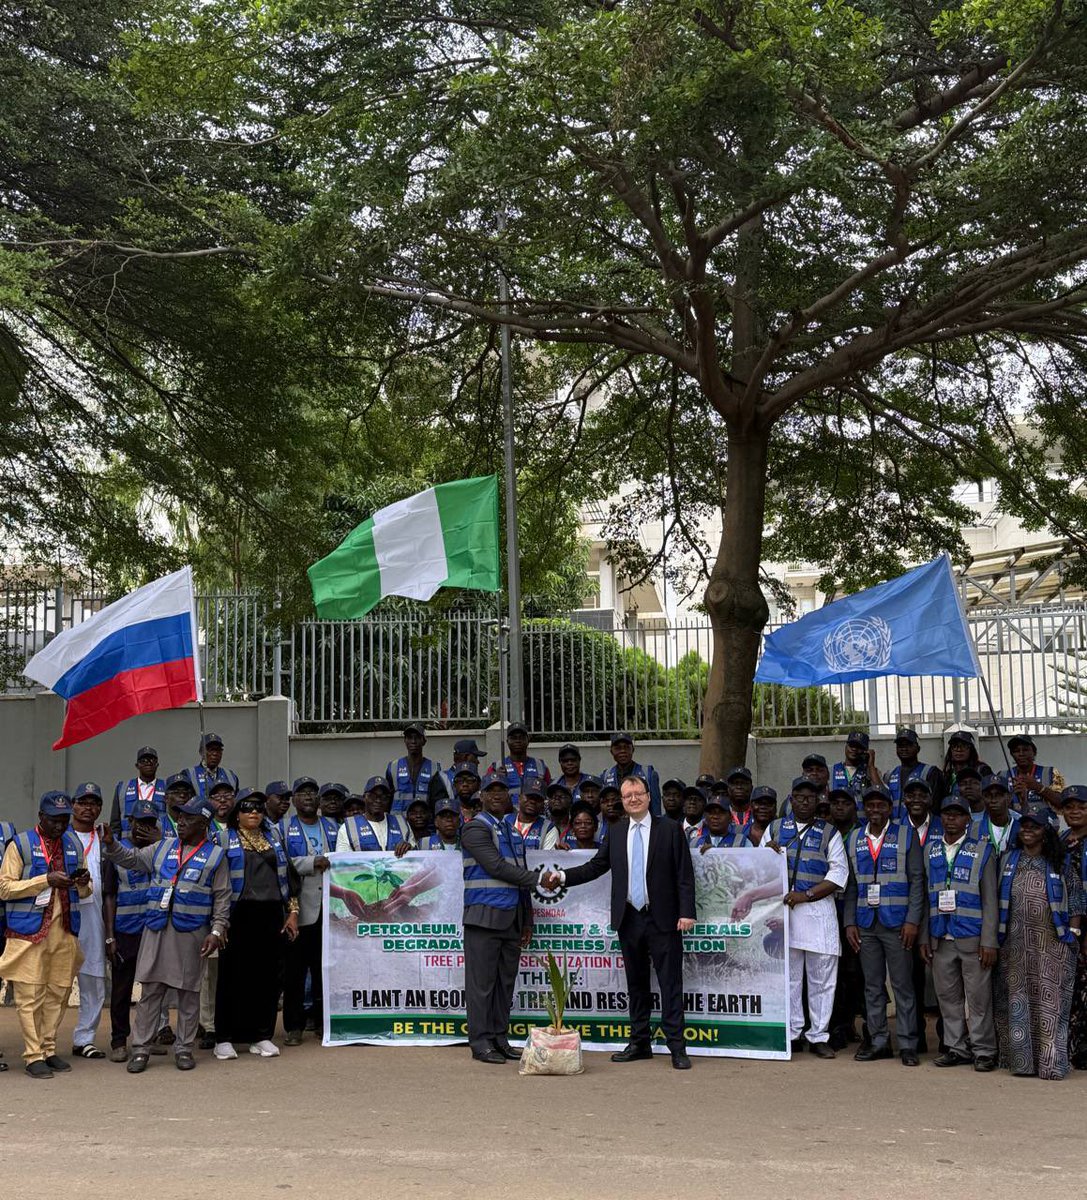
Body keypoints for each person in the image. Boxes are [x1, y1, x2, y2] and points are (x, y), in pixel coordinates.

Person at [541, 775, 696, 1069]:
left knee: (670, 984)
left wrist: (686, 912)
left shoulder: (670, 829)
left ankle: (677, 1047)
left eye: (638, 793)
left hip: (663, 918)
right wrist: (562, 876)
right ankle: (640, 1042)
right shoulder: (616, 830)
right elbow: (596, 866)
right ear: (622, 802)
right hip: (629, 917)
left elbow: (683, 874)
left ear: (649, 797)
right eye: (627, 795)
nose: (633, 798)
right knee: (636, 985)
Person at [99, 796, 230, 1073]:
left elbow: (222, 898)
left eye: (188, 818)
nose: (180, 821)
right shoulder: (163, 847)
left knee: (188, 993)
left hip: (192, 933)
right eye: (180, 816)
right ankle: (141, 1049)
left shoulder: (216, 856)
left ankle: (183, 1048)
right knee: (151, 991)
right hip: (156, 929)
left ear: (203, 823)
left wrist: (217, 931)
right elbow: (131, 859)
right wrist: (111, 844)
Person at [0, 792, 91, 1078]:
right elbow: (4, 888)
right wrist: (45, 880)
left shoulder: (74, 843)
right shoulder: (22, 844)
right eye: (54, 820)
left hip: (64, 930)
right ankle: (33, 1055)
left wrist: (83, 884)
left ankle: (49, 1048)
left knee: (59, 992)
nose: (59, 826)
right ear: (41, 816)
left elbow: (86, 892)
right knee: (30, 995)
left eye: (64, 820)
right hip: (28, 930)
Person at [994, 800, 1084, 1080]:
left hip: (1053, 944)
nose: (1028, 831)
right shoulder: (1008, 860)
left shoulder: (1061, 861)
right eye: (1024, 826)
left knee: (1051, 1002)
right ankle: (1021, 1062)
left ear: (1046, 831)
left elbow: (1078, 901)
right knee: (1018, 999)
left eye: (1035, 826)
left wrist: (1074, 933)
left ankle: (1051, 1063)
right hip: (1016, 944)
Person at [762, 777, 847, 1058]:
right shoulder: (775, 828)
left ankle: (819, 1036)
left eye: (810, 797)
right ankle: (792, 1032)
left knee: (822, 978)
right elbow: (758, 866)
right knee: (790, 978)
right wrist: (767, 853)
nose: (804, 801)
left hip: (817, 911)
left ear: (817, 800)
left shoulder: (829, 832)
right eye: (799, 796)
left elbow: (838, 875)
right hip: (784, 913)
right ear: (791, 798)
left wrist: (806, 895)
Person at [460, 769, 540, 1064]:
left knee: (505, 983)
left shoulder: (513, 832)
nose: (496, 795)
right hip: (483, 918)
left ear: (510, 797)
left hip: (512, 918)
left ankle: (499, 1037)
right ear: (481, 797)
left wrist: (528, 920)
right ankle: (480, 1041)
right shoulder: (474, 828)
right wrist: (538, 879)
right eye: (490, 791)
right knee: (482, 985)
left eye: (502, 791)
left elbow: (518, 878)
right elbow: (495, 867)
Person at [214, 788, 300, 1060]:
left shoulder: (274, 837)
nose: (254, 812)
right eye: (247, 807)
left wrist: (292, 912)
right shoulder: (223, 838)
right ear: (236, 813)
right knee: (232, 976)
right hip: (237, 915)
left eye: (259, 808)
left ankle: (261, 1035)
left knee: (268, 977)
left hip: (271, 913)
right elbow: (214, 883)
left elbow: (290, 879)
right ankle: (224, 1038)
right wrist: (219, 921)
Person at [843, 784, 925, 1066]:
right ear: (865, 809)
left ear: (890, 808)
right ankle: (878, 1041)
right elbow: (851, 885)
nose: (875, 810)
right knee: (872, 986)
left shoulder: (906, 835)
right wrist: (849, 922)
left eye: (881, 805)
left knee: (903, 986)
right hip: (866, 923)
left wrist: (913, 921)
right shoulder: (854, 838)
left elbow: (917, 882)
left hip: (898, 924)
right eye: (870, 805)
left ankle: (907, 1044)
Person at [920, 791, 999, 1071]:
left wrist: (989, 941)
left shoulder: (983, 850)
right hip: (941, 937)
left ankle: (984, 1050)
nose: (951, 818)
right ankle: (956, 1047)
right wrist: (925, 938)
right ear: (941, 817)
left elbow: (991, 900)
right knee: (948, 998)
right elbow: (926, 895)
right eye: (947, 813)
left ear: (968, 819)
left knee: (978, 999)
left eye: (958, 814)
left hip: (973, 936)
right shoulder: (930, 850)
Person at [102, 798, 162, 1063]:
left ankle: (146, 1039)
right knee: (122, 988)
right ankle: (119, 1040)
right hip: (125, 930)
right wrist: (110, 935)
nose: (144, 829)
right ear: (130, 823)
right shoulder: (116, 851)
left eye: (150, 823)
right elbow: (109, 896)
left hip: (154, 928)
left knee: (153, 988)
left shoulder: (162, 851)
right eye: (140, 823)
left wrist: (159, 842)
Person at [279, 784, 337, 1046]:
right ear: (293, 800)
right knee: (295, 971)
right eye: (302, 793)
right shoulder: (282, 827)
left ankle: (323, 1023)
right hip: (298, 909)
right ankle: (293, 1026)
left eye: (313, 793)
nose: (309, 798)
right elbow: (282, 863)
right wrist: (310, 863)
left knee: (324, 968)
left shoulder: (334, 826)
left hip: (332, 908)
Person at [70, 782, 107, 1059]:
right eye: (83, 802)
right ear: (73, 805)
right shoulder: (61, 837)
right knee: (54, 981)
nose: (87, 808)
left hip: (94, 917)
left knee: (93, 979)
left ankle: (85, 1038)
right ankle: (42, 1042)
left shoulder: (105, 840)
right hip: (63, 917)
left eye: (93, 803)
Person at [826, 786, 866, 1052]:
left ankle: (856, 1024)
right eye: (835, 803)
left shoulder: (862, 834)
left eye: (846, 803)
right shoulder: (825, 834)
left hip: (858, 913)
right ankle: (837, 1028)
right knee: (834, 973)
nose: (839, 807)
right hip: (827, 913)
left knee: (856, 974)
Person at [1060, 785, 1087, 1070]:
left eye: (1081, 806)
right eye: (1069, 807)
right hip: (1069, 926)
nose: (1075, 811)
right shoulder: (1061, 840)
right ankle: (1076, 1048)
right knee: (1075, 988)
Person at [335, 777, 410, 851]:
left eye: (383, 797)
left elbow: (416, 857)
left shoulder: (402, 824)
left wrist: (410, 848)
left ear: (389, 800)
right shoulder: (348, 828)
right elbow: (342, 860)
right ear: (364, 797)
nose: (378, 800)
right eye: (372, 796)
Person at [109, 746, 167, 837]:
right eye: (143, 760)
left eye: (152, 760)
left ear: (157, 764)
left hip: (157, 842)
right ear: (137, 765)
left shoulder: (166, 787)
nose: (148, 762)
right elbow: (115, 824)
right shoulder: (122, 787)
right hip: (128, 844)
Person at [602, 732, 661, 816]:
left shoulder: (648, 774)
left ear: (633, 749)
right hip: (615, 826)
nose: (622, 751)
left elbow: (656, 809)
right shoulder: (606, 775)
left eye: (626, 747)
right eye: (618, 748)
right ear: (611, 751)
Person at [887, 729, 944, 813]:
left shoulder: (931, 772)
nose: (904, 749)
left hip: (921, 825)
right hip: (895, 825)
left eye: (908, 745)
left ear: (918, 748)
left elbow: (935, 806)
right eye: (900, 746)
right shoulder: (889, 775)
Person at [1001, 734, 1064, 809]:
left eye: (1025, 750)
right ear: (1012, 754)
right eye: (1016, 751)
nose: (1021, 754)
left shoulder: (1051, 773)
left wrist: (1038, 787)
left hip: (1044, 820)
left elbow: (1063, 803)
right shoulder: (1003, 776)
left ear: (1034, 752)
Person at [493, 721, 551, 803]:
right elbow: (487, 794)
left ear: (528, 740)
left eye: (522, 737)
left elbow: (549, 793)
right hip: (507, 813)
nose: (518, 741)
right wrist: (497, 779)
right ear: (507, 741)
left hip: (534, 813)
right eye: (514, 738)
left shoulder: (540, 766)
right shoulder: (497, 767)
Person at [385, 723, 438, 812]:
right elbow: (387, 798)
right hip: (399, 822)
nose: (413, 741)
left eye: (417, 737)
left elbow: (436, 801)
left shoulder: (434, 768)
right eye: (409, 737)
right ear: (405, 741)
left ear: (424, 741)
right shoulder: (394, 767)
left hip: (423, 821)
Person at [831, 731, 883, 808]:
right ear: (846, 747)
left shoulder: (872, 772)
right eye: (851, 745)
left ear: (866, 751)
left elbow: (881, 794)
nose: (854, 749)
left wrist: (871, 765)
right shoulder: (832, 770)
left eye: (859, 747)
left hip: (862, 819)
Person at [183, 732, 239, 800]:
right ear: (201, 751)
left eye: (218, 750)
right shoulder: (189, 774)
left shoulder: (230, 776)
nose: (215, 753)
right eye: (211, 749)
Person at [975, 777, 1021, 857]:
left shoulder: (1020, 828)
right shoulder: (973, 828)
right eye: (988, 795)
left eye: (999, 795)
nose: (993, 800)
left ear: (1009, 798)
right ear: (983, 798)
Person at [505, 784, 558, 850]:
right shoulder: (504, 821)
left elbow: (548, 859)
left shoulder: (548, 829)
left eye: (537, 798)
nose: (533, 801)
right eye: (529, 796)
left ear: (543, 804)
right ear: (519, 797)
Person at [725, 767, 754, 833]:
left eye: (743, 783)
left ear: (751, 788)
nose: (739, 787)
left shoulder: (759, 813)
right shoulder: (721, 815)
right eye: (735, 783)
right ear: (728, 789)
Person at [546, 782, 574, 848]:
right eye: (553, 796)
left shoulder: (577, 825)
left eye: (562, 796)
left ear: (570, 801)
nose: (557, 799)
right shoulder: (543, 826)